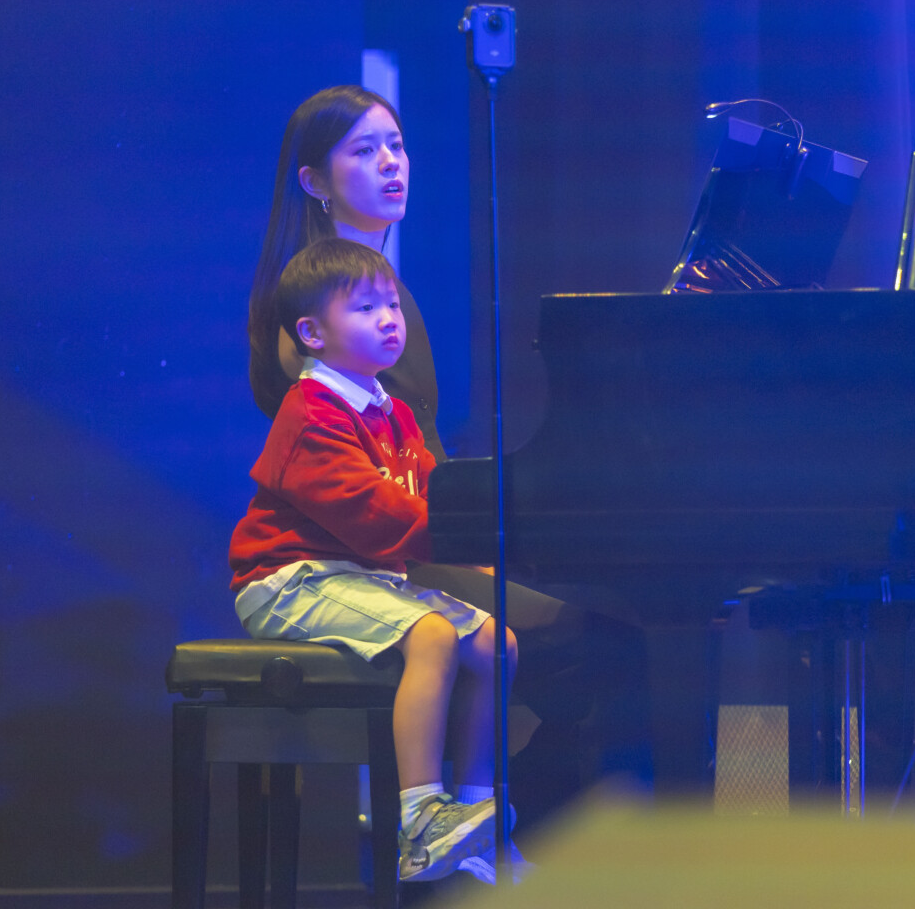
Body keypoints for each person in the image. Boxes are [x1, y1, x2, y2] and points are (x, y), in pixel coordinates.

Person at [247, 85, 651, 829]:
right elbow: (355, 490)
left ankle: (498, 826)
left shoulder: (380, 291)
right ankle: (488, 833)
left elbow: (422, 452)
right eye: (364, 151)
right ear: (315, 181)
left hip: (423, 531)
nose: (392, 164)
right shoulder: (311, 311)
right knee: (607, 652)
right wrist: (471, 546)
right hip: (376, 555)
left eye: (397, 146)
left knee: (624, 637)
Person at [230, 237, 517, 883]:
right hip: (288, 581)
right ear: (312, 332)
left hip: (353, 577)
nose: (391, 318)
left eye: (392, 304)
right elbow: (373, 513)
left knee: (499, 643)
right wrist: (465, 541)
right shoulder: (311, 413)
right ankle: (418, 819)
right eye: (365, 309)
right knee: (435, 634)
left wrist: (476, 552)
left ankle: (473, 821)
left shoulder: (395, 414)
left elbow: (423, 500)